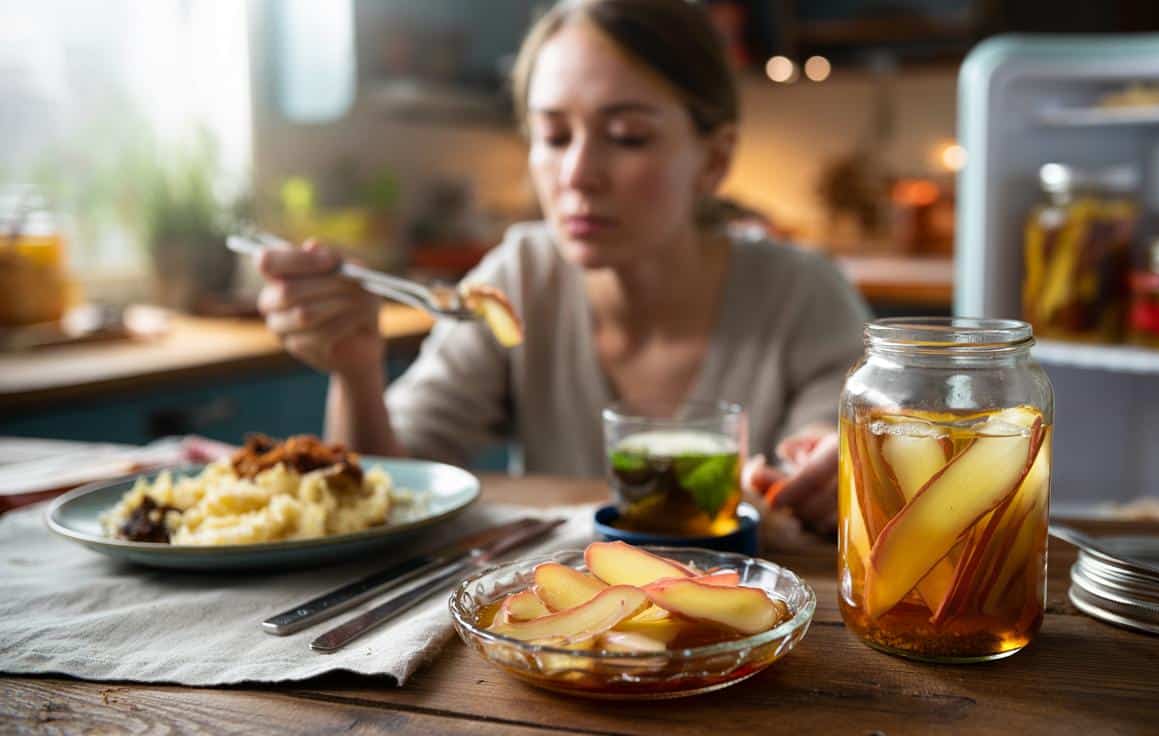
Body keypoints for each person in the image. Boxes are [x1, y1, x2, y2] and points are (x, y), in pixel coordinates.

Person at [256, 0, 863, 533]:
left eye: (626, 137)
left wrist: (840, 468)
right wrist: (357, 372)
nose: (576, 174)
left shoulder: (804, 293)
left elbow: (835, 449)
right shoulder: (516, 279)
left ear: (714, 158)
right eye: (552, 136)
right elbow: (385, 489)